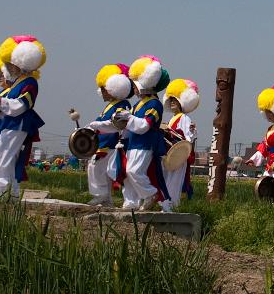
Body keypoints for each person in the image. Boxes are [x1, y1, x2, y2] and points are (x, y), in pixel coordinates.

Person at [0, 35, 47, 199]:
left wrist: (1, 101)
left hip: (17, 125)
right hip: (11, 124)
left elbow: (22, 105)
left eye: (10, 63)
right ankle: (11, 193)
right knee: (5, 159)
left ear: (20, 62)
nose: (8, 67)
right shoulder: (21, 81)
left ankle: (3, 191)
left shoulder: (30, 82)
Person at [116, 56, 171, 211]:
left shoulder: (155, 104)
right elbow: (131, 125)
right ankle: (132, 202)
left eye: (134, 84)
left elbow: (144, 126)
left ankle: (151, 194)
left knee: (133, 171)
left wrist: (128, 118)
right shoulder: (137, 104)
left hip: (145, 144)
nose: (133, 88)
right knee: (129, 173)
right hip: (133, 143)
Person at [84, 63, 134, 206]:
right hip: (103, 143)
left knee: (96, 166)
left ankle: (101, 195)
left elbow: (115, 124)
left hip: (112, 143)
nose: (102, 92)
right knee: (101, 170)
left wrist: (95, 125)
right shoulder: (111, 105)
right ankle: (106, 201)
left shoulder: (123, 105)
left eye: (104, 88)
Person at [161, 78, 199, 210]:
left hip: (179, 155)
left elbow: (189, 138)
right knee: (168, 179)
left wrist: (192, 132)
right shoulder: (171, 119)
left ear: (182, 102)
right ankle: (166, 204)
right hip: (170, 154)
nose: (172, 103)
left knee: (175, 181)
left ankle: (173, 205)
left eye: (175, 100)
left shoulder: (184, 118)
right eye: (170, 100)